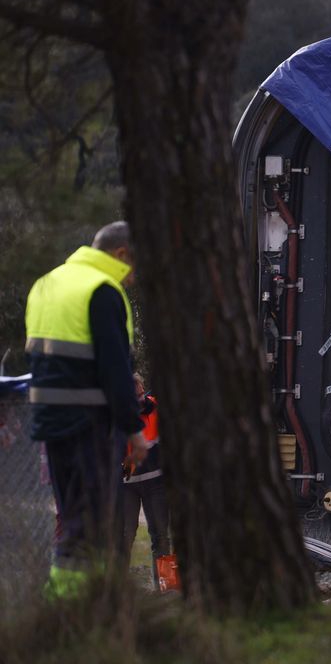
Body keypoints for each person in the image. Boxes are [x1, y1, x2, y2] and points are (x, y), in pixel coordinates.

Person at [25, 221, 148, 597]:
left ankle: (83, 605)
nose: (133, 278)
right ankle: (62, 608)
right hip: (90, 425)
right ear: (121, 255)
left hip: (51, 422)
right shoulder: (101, 290)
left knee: (73, 517)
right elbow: (115, 370)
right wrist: (134, 429)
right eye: (134, 267)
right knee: (88, 525)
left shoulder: (48, 284)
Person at [120, 372, 171, 587]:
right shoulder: (119, 415)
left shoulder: (156, 408)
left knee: (160, 535)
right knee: (124, 535)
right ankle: (117, 588)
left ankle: (166, 586)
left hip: (155, 482)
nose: (138, 399)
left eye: (139, 392)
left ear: (143, 389)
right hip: (127, 485)